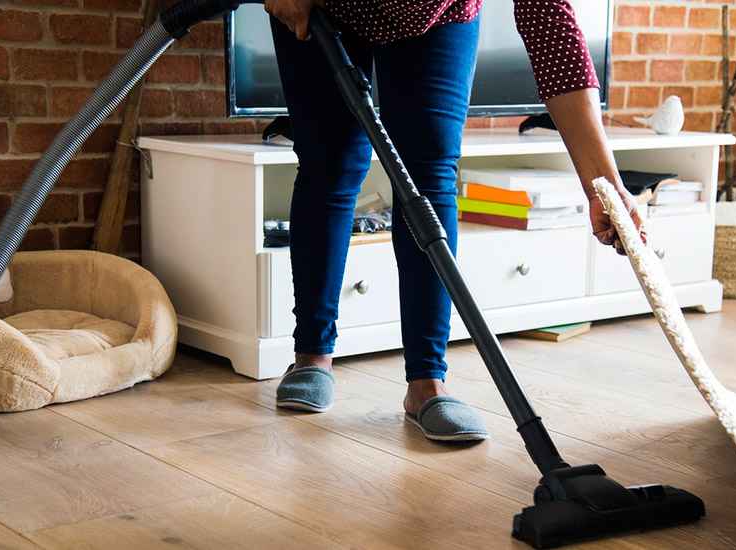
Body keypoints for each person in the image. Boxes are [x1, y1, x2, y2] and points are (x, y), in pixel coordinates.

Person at [268, 0, 645, 441]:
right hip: (324, 6)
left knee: (427, 174)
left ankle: (427, 382)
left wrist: (604, 185)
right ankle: (312, 354)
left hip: (437, 15)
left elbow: (553, 34)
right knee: (329, 163)